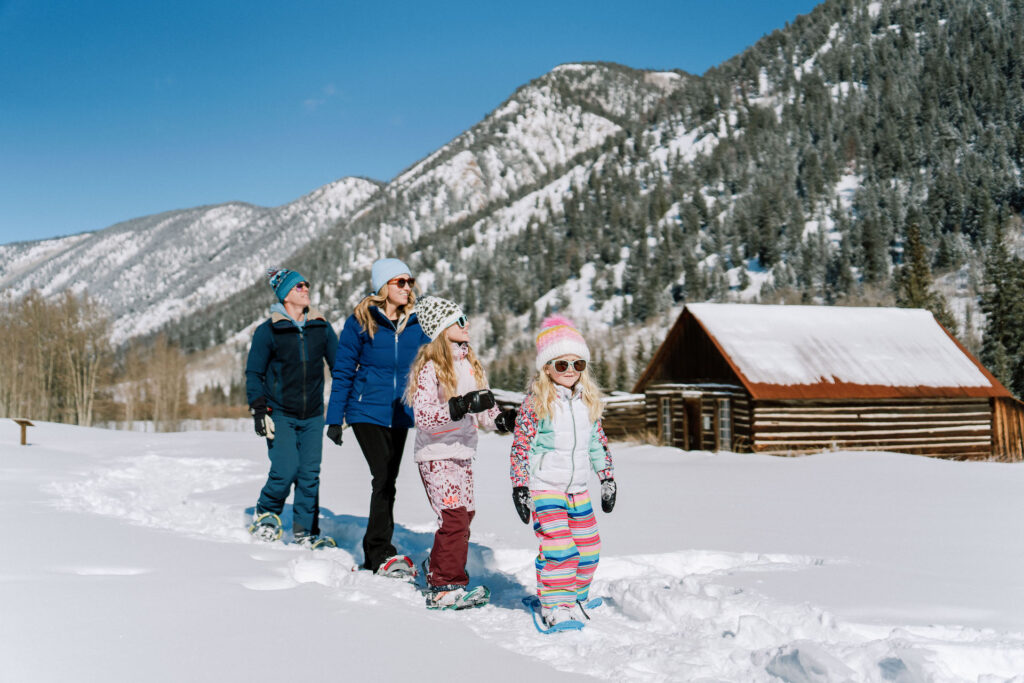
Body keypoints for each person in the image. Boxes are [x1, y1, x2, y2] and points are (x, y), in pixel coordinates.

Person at [404, 296, 517, 609]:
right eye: (459, 320)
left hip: (463, 454)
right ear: (442, 328)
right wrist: (460, 406)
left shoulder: (470, 365)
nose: (467, 325)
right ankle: (444, 586)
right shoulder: (430, 368)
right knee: (453, 518)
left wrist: (503, 420)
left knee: (464, 517)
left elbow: (485, 409)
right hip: (435, 455)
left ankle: (436, 567)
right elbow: (423, 417)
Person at [509, 315, 617, 629]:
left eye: (577, 364)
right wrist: (520, 486)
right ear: (547, 367)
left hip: (578, 489)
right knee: (560, 548)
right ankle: (556, 605)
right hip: (546, 488)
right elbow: (521, 446)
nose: (570, 370)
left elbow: (597, 441)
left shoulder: (587, 401)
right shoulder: (536, 403)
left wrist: (607, 477)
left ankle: (575, 596)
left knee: (589, 547)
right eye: (562, 364)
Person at [325, 258, 430, 575]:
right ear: (384, 285)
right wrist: (335, 418)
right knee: (383, 476)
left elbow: (434, 365)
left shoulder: (417, 323)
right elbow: (344, 371)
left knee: (388, 482)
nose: (407, 287)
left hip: (401, 412)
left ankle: (375, 554)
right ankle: (380, 550)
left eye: (410, 282)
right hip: (365, 410)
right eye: (401, 282)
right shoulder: (360, 321)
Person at [245, 268, 339, 547]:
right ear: (285, 294)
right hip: (280, 413)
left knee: (309, 474)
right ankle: (266, 514)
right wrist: (259, 410)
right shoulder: (269, 331)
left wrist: (342, 407)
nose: (305, 288)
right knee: (285, 469)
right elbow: (254, 373)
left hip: (313, 415)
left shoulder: (321, 327)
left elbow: (340, 368)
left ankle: (305, 532)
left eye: (306, 284)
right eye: (299, 286)